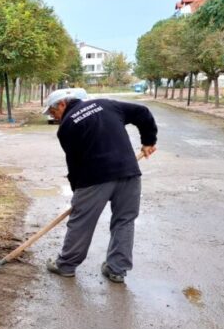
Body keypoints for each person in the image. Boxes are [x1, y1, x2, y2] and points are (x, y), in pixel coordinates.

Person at [43, 90, 157, 283]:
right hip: (128, 172)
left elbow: (74, 163)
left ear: (62, 103)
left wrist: (77, 193)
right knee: (124, 221)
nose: (54, 117)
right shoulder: (106, 104)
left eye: (53, 112)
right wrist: (149, 141)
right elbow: (142, 112)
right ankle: (117, 269)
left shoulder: (66, 126)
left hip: (94, 178)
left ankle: (66, 265)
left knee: (81, 222)